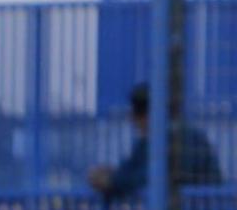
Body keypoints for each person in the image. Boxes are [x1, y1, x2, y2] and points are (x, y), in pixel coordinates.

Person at [87, 83, 223, 198]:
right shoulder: (151, 140)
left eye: (137, 118)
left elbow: (155, 175)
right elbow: (133, 167)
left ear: (148, 116)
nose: (135, 124)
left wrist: (113, 181)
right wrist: (112, 176)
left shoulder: (185, 139)